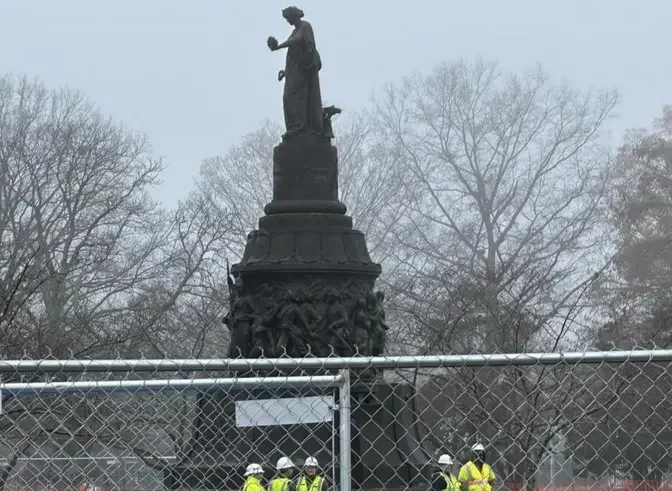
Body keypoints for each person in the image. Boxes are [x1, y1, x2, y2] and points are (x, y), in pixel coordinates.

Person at [267, 6, 324, 137]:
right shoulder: (294, 31)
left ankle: (299, 127)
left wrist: (278, 46)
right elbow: (293, 56)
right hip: (295, 70)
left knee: (294, 96)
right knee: (288, 97)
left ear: (294, 16)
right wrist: (285, 72)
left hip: (305, 69)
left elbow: (297, 40)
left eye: (288, 18)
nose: (288, 21)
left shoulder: (305, 26)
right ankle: (294, 127)